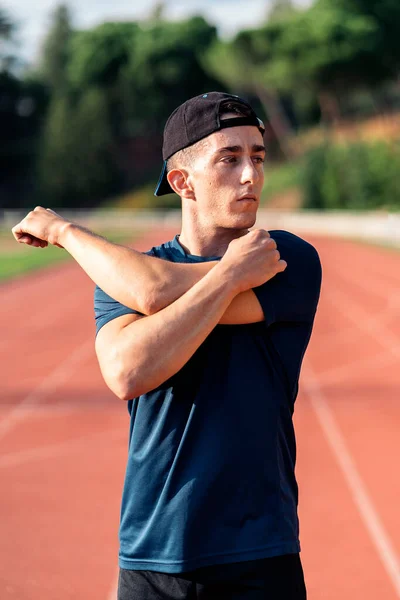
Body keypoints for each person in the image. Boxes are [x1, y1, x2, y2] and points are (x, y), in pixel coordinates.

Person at [12, 91, 321, 599]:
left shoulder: (284, 258)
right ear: (182, 181)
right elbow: (128, 371)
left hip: (260, 553)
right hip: (153, 557)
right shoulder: (122, 278)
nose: (252, 175)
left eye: (258, 157)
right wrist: (228, 279)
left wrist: (62, 230)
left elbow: (154, 290)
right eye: (230, 158)